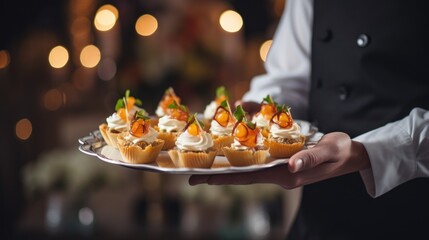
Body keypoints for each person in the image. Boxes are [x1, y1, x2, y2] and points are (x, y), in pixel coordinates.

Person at [189, 0, 429, 239]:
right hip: (319, 219)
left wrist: (370, 152)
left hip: (414, 213)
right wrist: (266, 110)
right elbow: (291, 77)